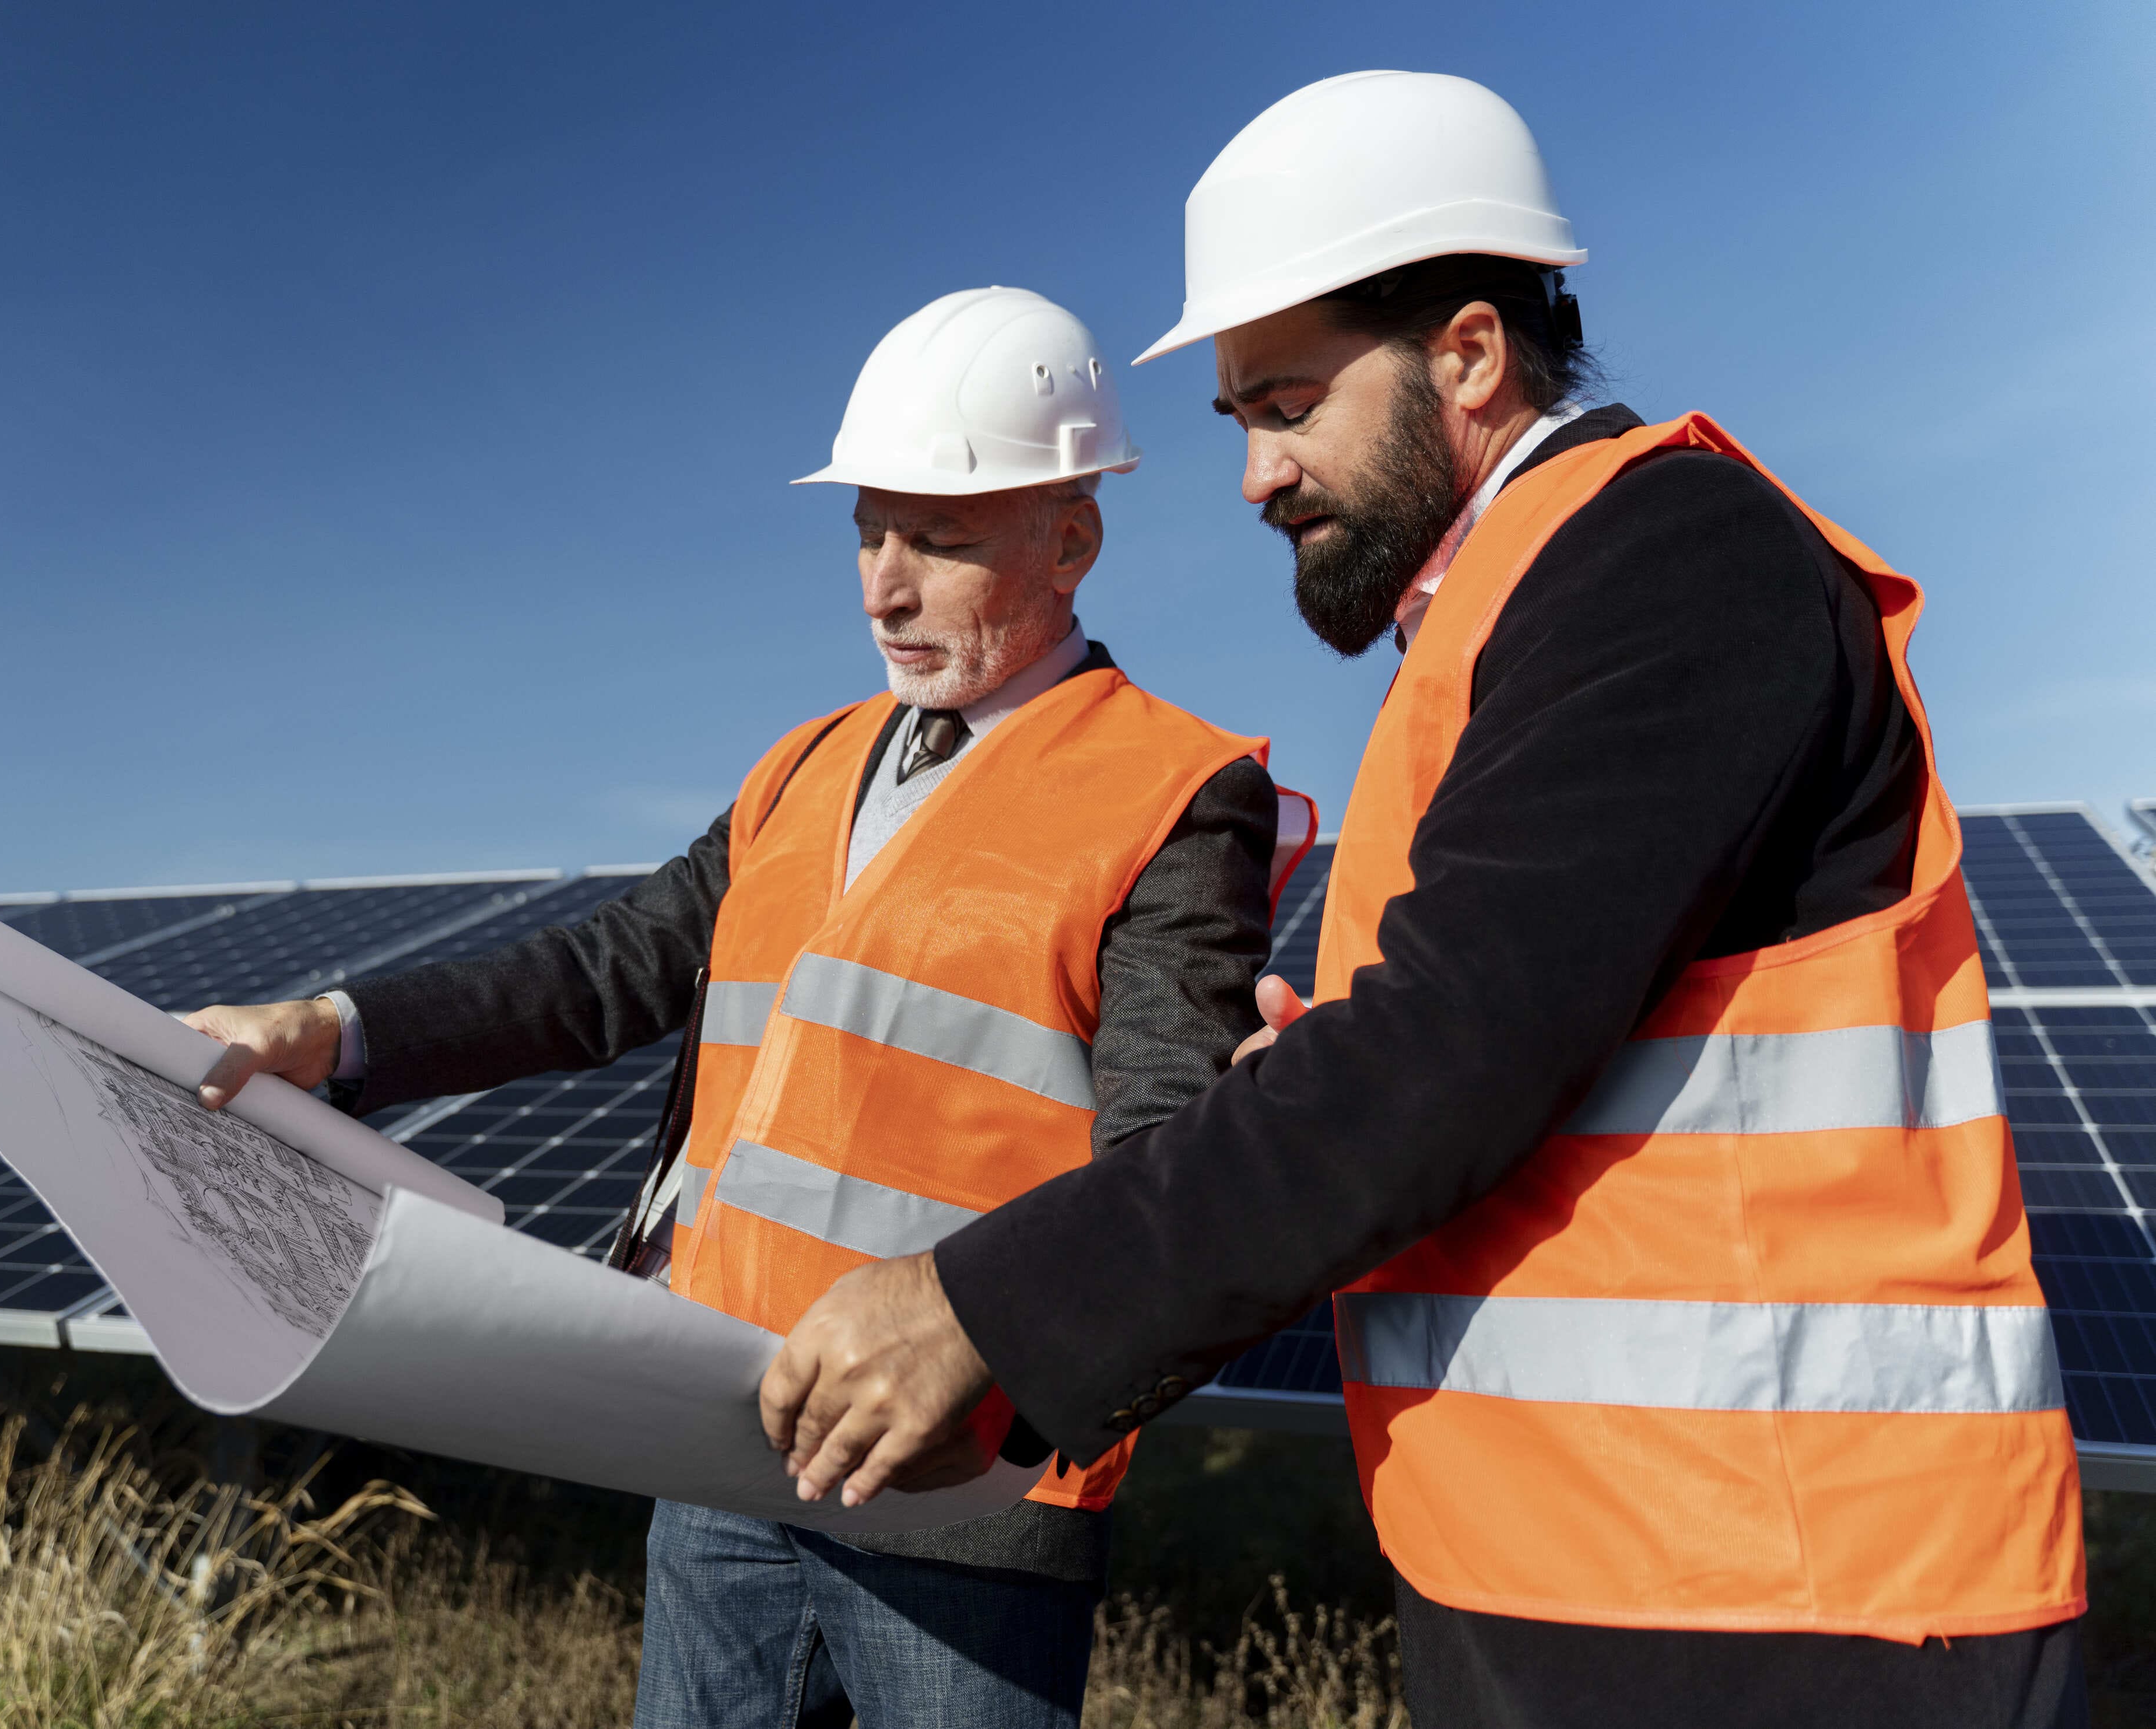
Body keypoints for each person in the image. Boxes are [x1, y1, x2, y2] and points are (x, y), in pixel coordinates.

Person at [757, 72, 2088, 1729]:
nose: (1252, 476)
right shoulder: (1489, 623)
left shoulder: (1667, 556)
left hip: (1794, 1593)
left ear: (1465, 354)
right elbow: (1498, 1049)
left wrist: (988, 1305)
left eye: (1285, 404)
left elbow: (1453, 1050)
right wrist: (1313, 1070)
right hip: (1594, 1556)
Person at [180, 285, 1305, 1729]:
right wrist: (331, 1030)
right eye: (866, 533)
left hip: (955, 1494)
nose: (880, 589)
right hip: (719, 1447)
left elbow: (1162, 1154)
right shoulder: (801, 766)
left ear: (1069, 540)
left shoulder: (1173, 789)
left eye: (939, 542)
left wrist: (999, 1362)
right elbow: (604, 971)